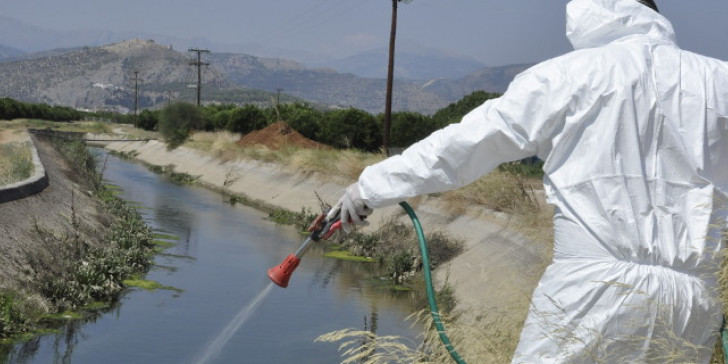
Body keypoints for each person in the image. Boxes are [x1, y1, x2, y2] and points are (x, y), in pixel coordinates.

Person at [326, 0, 728, 362]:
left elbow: (466, 144)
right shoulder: (718, 80)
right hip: (693, 301)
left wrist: (370, 188)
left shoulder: (571, 74)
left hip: (591, 289)